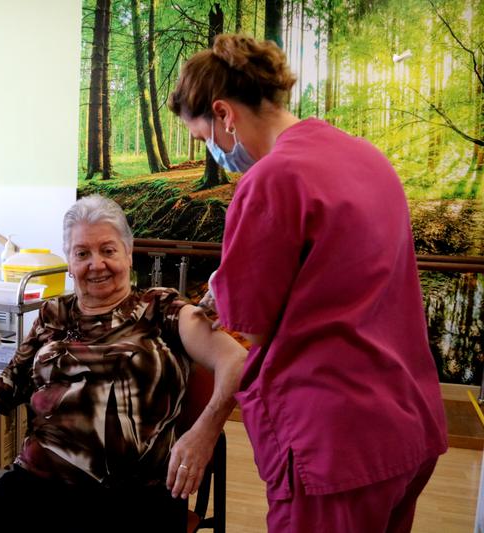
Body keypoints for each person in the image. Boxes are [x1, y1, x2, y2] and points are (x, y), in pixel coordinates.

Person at [169, 34, 448, 532]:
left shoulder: (272, 180)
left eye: (202, 136)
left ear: (223, 114)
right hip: (407, 425)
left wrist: (214, 299)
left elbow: (246, 330)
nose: (211, 151)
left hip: (335, 445)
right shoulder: (367, 158)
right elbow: (339, 277)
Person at [0, 195, 247, 533]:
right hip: (40, 481)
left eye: (108, 250)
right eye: (82, 253)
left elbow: (236, 361)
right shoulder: (53, 314)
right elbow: (14, 375)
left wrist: (204, 434)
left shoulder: (162, 309)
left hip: (136, 497)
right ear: (69, 260)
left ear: (128, 252)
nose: (96, 264)